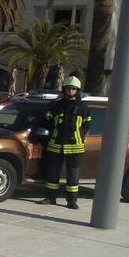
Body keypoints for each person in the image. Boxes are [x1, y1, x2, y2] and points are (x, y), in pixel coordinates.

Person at [38, 76, 91, 209]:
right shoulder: (56, 105)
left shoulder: (83, 108)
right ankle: (50, 198)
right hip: (56, 145)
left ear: (77, 90)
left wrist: (81, 134)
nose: (70, 91)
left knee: (73, 175)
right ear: (64, 89)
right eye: (68, 88)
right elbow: (47, 122)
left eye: (73, 89)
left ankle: (72, 201)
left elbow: (87, 124)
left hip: (75, 146)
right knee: (52, 173)